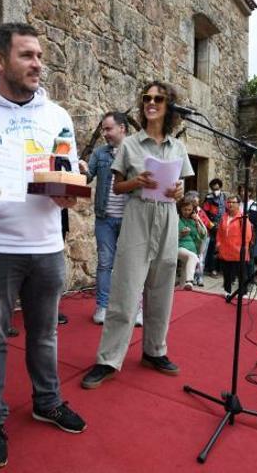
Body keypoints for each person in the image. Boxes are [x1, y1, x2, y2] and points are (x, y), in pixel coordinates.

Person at [0, 23, 86, 469]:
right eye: (27, 56)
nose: (38, 64)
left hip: (48, 245)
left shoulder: (58, 115)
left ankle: (46, 402)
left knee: (46, 335)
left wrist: (71, 188)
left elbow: (65, 177)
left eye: (39, 56)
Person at [80, 80, 192, 390]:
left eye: (158, 98)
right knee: (125, 290)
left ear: (169, 106)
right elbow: (117, 187)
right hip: (138, 214)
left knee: (162, 289)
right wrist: (137, 181)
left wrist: (180, 190)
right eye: (146, 98)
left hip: (168, 216)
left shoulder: (178, 147)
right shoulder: (130, 144)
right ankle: (108, 359)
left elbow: (182, 191)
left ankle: (155, 351)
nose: (151, 103)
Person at [80, 111, 129, 325]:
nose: (105, 133)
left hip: (131, 219)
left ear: (122, 128)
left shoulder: (137, 152)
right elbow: (87, 177)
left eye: (108, 129)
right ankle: (102, 306)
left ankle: (134, 308)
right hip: (105, 219)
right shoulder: (100, 153)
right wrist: (82, 169)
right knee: (105, 264)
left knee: (131, 265)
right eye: (103, 129)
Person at [215, 195, 254, 297]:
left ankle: (243, 292)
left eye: (233, 202)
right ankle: (227, 290)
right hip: (225, 250)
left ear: (238, 204)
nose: (230, 204)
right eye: (229, 202)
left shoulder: (242, 218)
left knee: (241, 273)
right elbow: (219, 232)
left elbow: (248, 236)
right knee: (226, 272)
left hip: (238, 251)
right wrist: (218, 243)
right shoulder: (224, 217)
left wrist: (240, 247)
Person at [177, 197, 207, 290]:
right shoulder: (176, 218)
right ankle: (190, 281)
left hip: (192, 249)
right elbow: (170, 235)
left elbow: (203, 235)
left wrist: (198, 221)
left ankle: (183, 289)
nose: (187, 212)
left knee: (185, 272)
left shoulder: (193, 220)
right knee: (193, 257)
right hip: (179, 247)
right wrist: (180, 234)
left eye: (189, 210)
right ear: (180, 209)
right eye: (185, 209)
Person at [201, 178, 226, 277]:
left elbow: (226, 210)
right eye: (213, 187)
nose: (216, 188)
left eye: (217, 186)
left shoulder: (224, 196)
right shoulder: (209, 197)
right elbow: (204, 212)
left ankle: (219, 268)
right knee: (211, 248)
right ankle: (211, 269)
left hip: (222, 225)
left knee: (220, 248)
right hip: (212, 226)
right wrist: (210, 225)